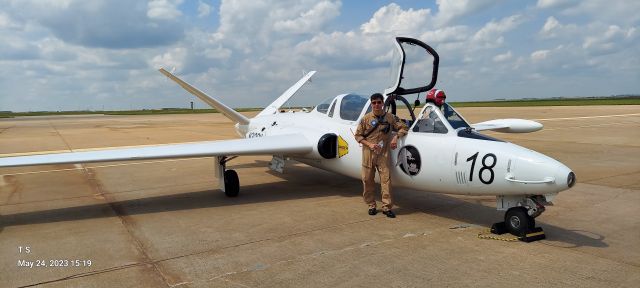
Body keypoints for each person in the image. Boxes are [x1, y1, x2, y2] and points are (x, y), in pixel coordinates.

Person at [354, 93, 408, 218]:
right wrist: (369, 144)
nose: (377, 105)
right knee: (367, 180)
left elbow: (403, 127)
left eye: (379, 102)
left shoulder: (390, 117)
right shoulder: (365, 119)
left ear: (383, 103)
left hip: (383, 154)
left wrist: (395, 137)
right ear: (371, 104)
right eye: (374, 103)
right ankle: (371, 205)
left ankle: (386, 207)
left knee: (386, 181)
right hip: (368, 153)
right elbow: (358, 136)